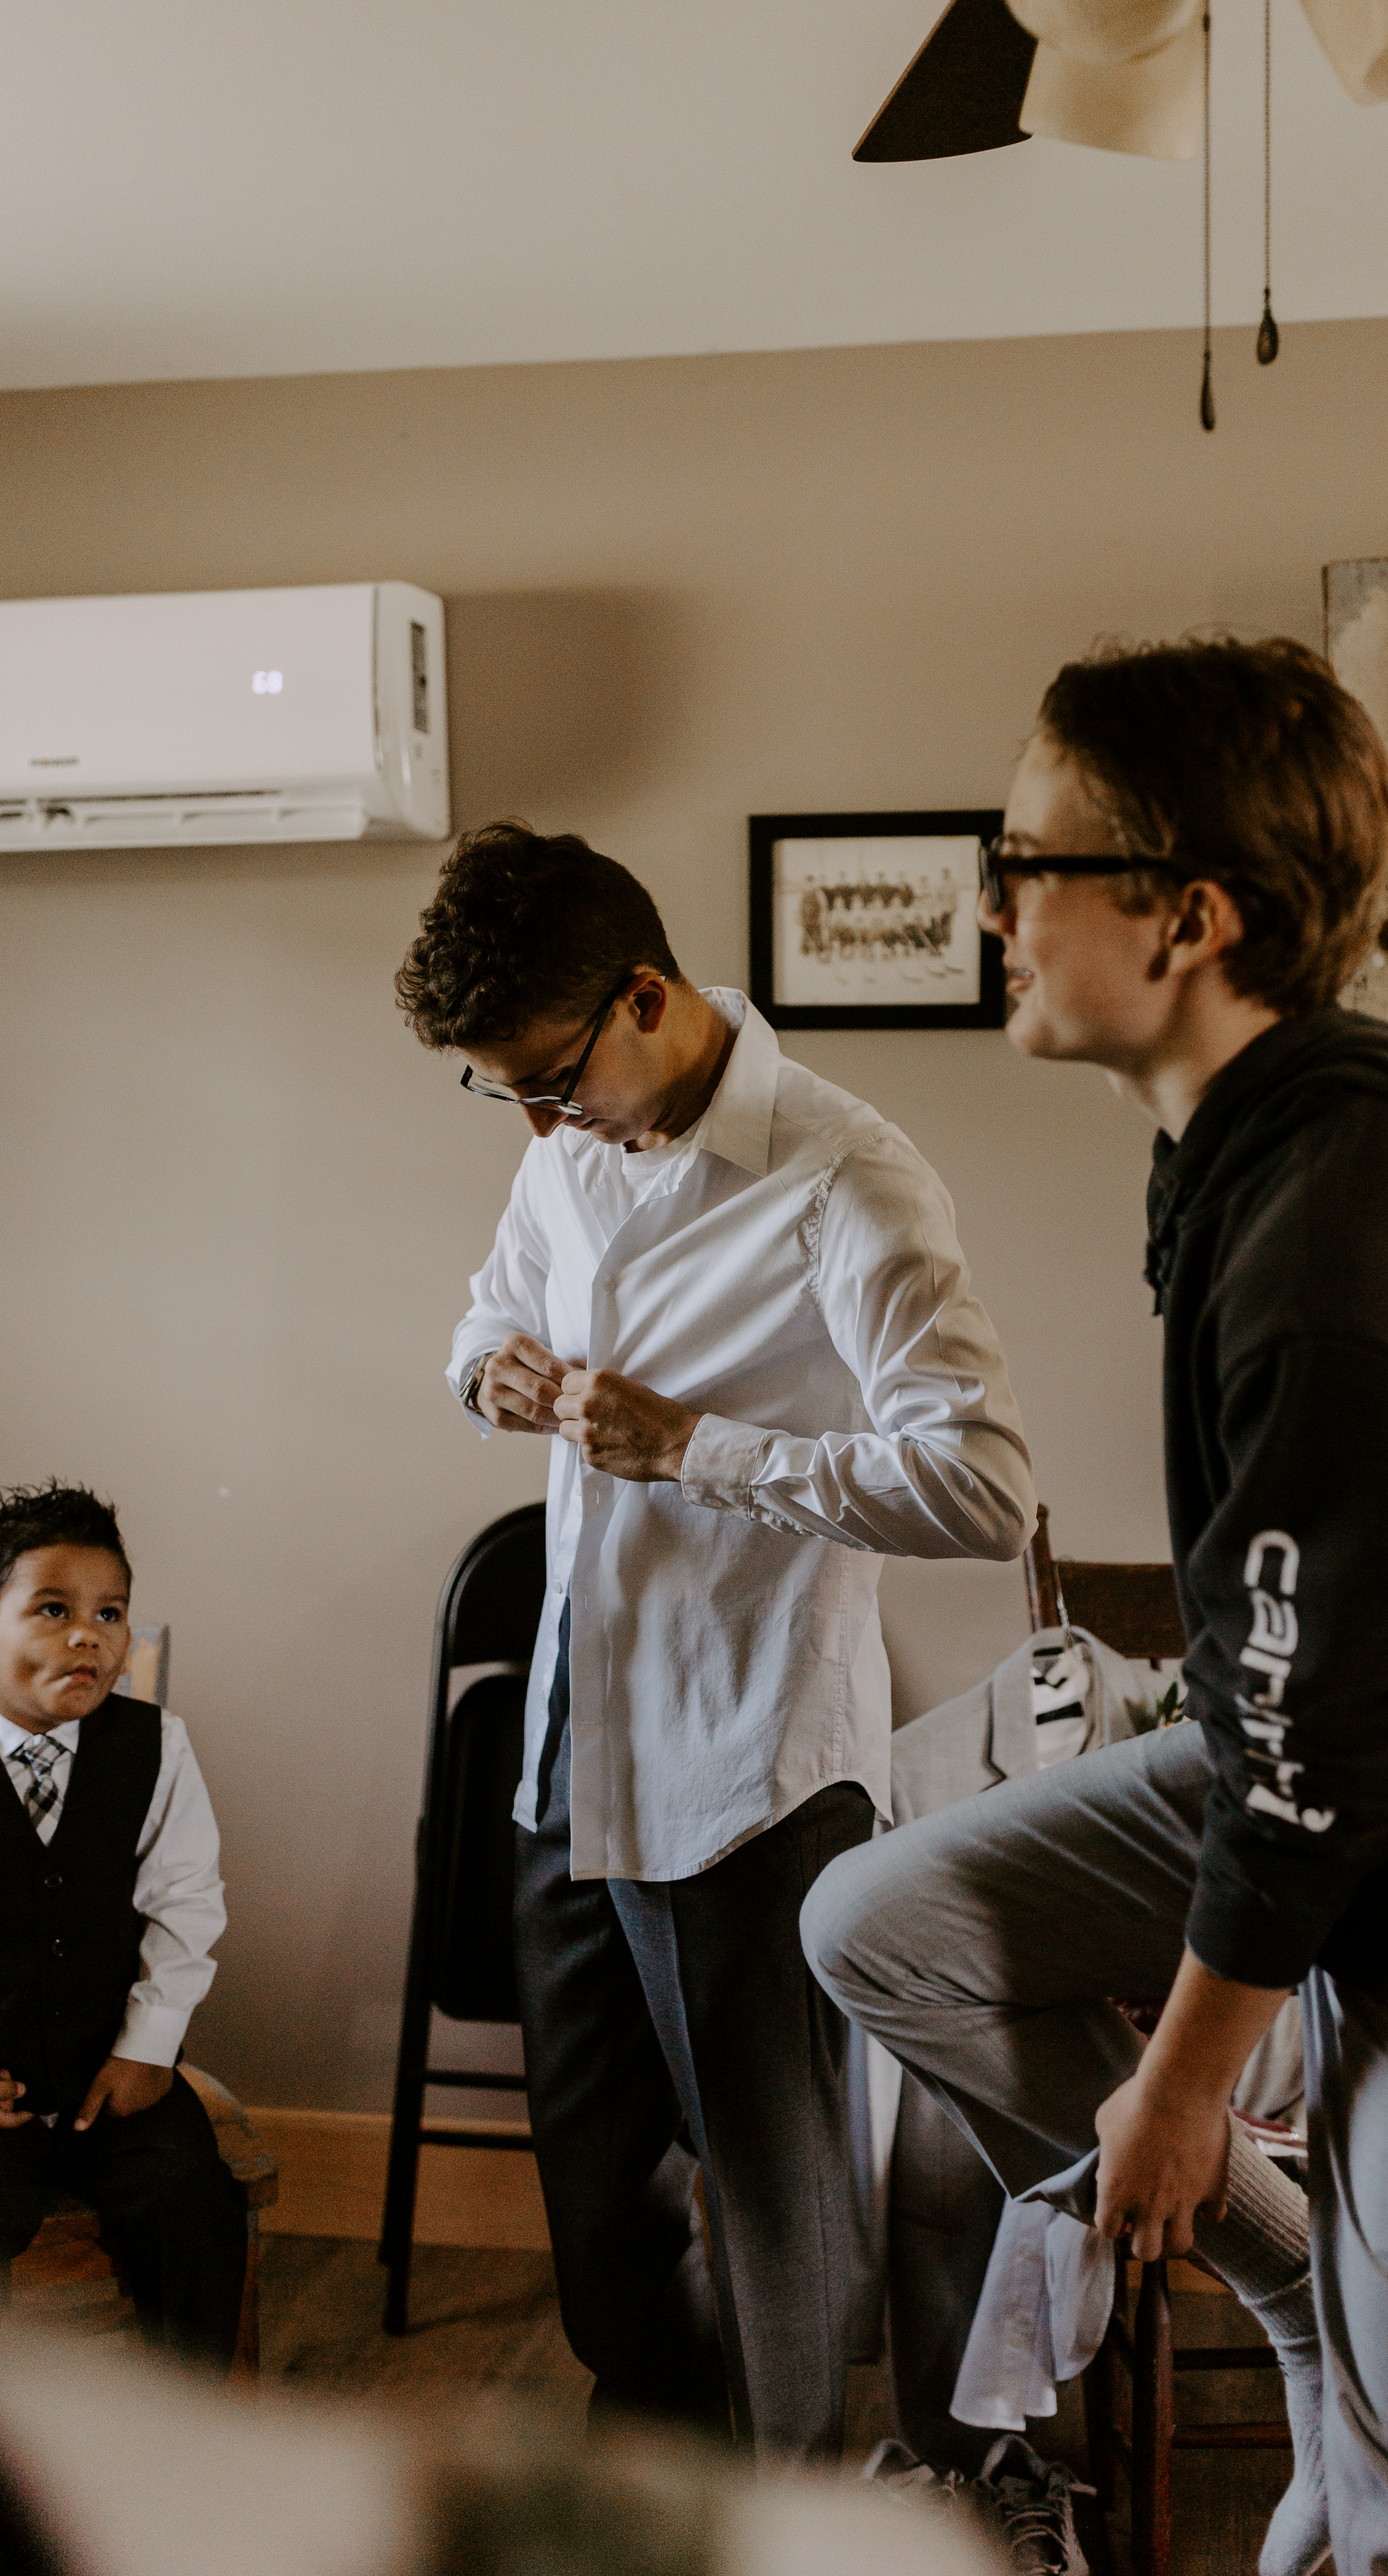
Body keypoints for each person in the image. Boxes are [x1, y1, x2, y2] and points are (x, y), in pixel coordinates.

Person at [803, 637, 1388, 2576]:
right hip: (1341, 1788)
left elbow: (1328, 1767)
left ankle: (1374, 2397)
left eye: (1026, 857)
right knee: (886, 1921)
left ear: (1186, 914)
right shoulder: (1255, 1150)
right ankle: (1314, 2282)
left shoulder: (1337, 1244)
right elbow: (1299, 1708)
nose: (995, 903)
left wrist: (1172, 2090)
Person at [394, 822, 1034, 2460]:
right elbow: (486, 1311)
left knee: (776, 2211)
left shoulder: (848, 1176)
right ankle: (665, 2501)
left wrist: (700, 1449)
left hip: (742, 1774)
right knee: (603, 2222)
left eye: (547, 1075)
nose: (534, 1119)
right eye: (504, 1093)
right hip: (566, 1751)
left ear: (641, 998)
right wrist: (495, 1380)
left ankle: (794, 2521)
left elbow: (983, 1492)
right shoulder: (561, 1146)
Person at [0, 1480, 246, 2369]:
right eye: (53, 1608)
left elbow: (186, 1901)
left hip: (117, 2077)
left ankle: (189, 2444)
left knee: (191, 2201)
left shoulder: (155, 1745)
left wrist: (148, 2047)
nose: (88, 1634)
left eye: (111, 1613)